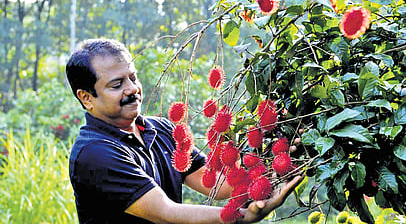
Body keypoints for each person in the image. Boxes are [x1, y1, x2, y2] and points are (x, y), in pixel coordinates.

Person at [66, 38, 303, 224]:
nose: (132, 89)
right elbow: (166, 213)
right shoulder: (94, 153)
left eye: (133, 77)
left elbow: (216, 184)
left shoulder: (162, 129)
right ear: (87, 98)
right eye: (117, 85)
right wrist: (243, 216)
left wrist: (273, 164)